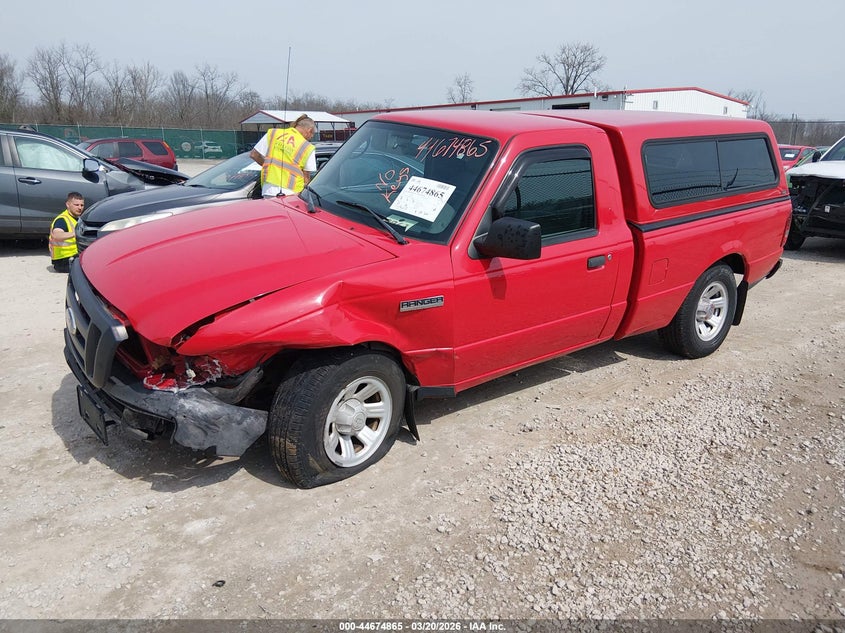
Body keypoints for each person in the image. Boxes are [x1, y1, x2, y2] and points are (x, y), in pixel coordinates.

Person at [249, 114, 317, 197]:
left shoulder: (273, 133)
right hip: (293, 193)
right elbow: (306, 178)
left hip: (268, 189)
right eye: (312, 134)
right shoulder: (307, 147)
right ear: (309, 130)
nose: (311, 137)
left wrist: (270, 167)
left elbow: (254, 154)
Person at [49, 192, 84, 273]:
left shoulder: (78, 219)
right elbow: (56, 235)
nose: (79, 208)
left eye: (82, 205)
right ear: (68, 205)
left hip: (74, 256)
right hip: (63, 260)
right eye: (76, 205)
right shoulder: (62, 220)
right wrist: (75, 233)